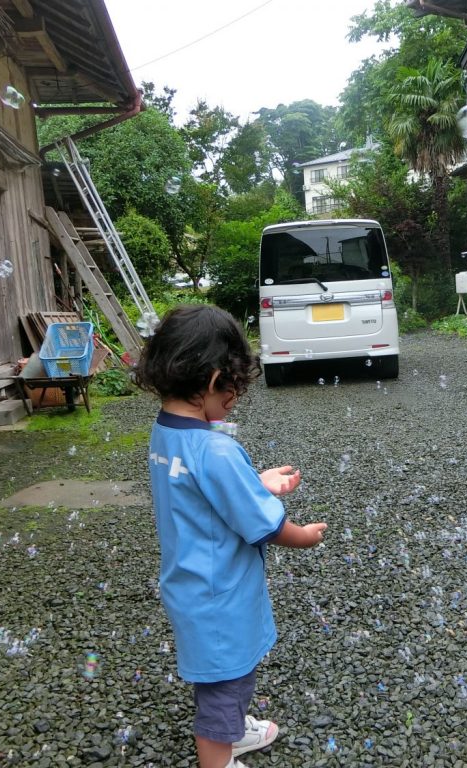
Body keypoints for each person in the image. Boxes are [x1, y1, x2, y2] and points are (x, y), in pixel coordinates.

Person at [134, 305, 327, 768]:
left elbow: (201, 495)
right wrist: (302, 535)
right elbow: (263, 525)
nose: (234, 401)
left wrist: (253, 484)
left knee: (226, 673)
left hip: (192, 584)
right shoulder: (216, 448)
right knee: (225, 686)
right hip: (222, 594)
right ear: (215, 378)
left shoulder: (166, 433)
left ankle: (235, 730)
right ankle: (220, 756)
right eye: (235, 391)